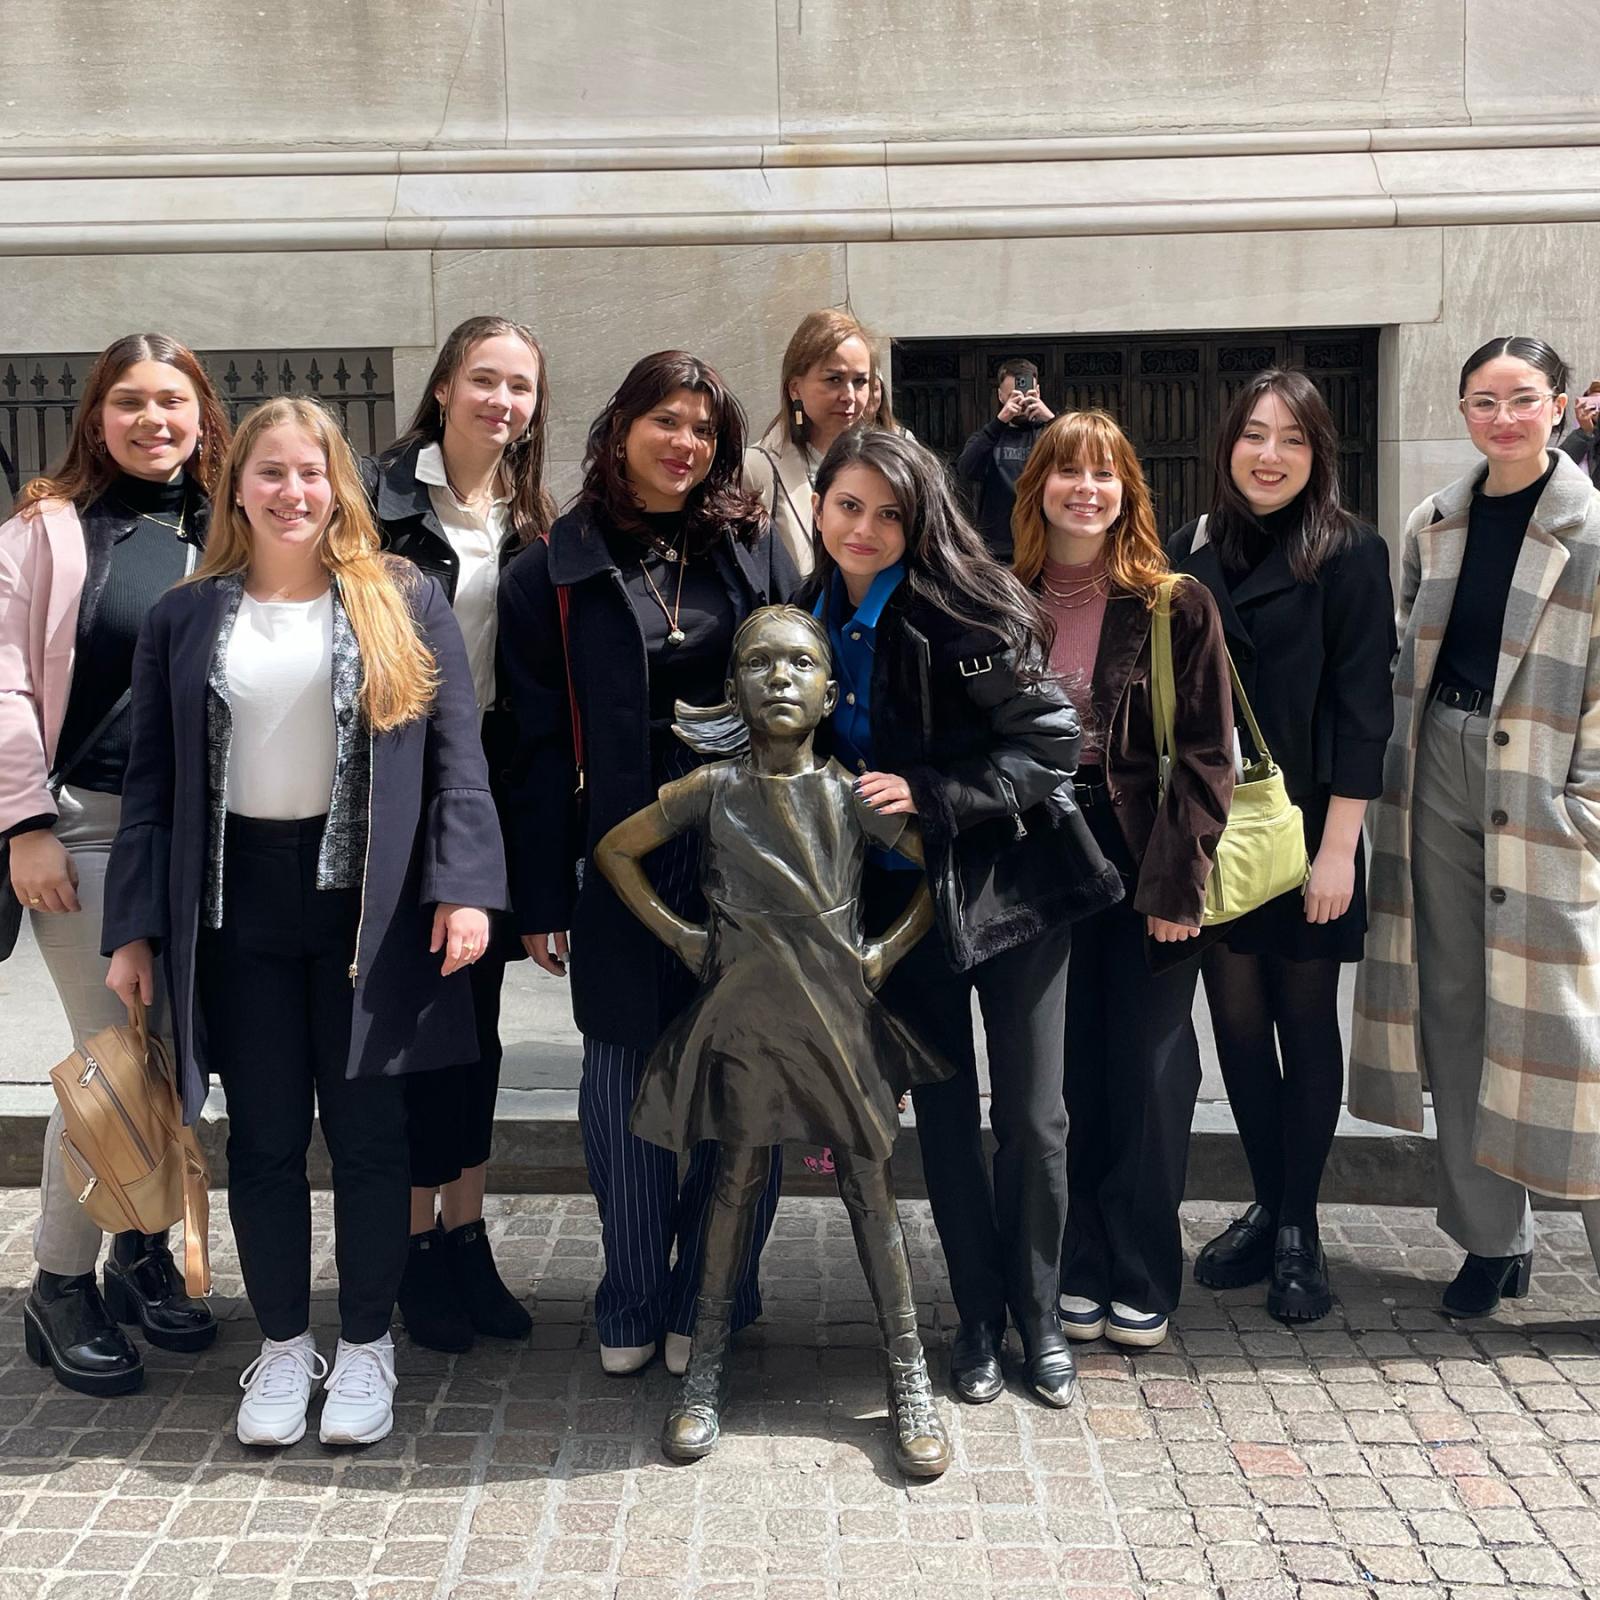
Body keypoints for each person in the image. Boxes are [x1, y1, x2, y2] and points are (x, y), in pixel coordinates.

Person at [102, 397, 505, 1448]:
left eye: (312, 473)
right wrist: (135, 930)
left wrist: (464, 887)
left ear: (341, 486)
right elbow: (150, 788)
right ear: (235, 486)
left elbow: (461, 757)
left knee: (373, 1137)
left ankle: (366, 1343)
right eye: (270, 472)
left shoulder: (398, 599)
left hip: (362, 904)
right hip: (234, 912)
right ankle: (285, 1343)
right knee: (267, 1141)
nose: (292, 492)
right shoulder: (186, 617)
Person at [805, 427, 1122, 1410]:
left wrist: (931, 793)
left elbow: (1047, 746)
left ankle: (1038, 1316)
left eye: (888, 512)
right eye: (847, 505)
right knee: (943, 1121)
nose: (865, 527)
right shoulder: (801, 615)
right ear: (819, 506)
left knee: (1032, 1118)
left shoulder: (965, 611)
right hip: (899, 910)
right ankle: (975, 1318)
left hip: (1011, 892)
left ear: (920, 518)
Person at [597, 605, 953, 1475]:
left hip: (840, 1020)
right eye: (760, 664)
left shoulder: (848, 794)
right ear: (733, 688)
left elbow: (937, 877)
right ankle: (705, 1369)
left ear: (831, 693)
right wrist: (683, 937)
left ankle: (907, 1371)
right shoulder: (711, 790)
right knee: (733, 1180)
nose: (780, 679)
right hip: (745, 1017)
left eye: (801, 663)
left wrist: (879, 954)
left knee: (873, 1193)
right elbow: (616, 851)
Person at [499, 351, 795, 1379]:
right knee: (623, 1073)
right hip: (619, 853)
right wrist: (540, 893)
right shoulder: (551, 570)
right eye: (665, 420)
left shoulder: (751, 552)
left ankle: (711, 1292)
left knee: (739, 1076)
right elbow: (533, 747)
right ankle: (630, 1288)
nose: (684, 443)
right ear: (618, 424)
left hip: (746, 855)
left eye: (704, 430)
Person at [1352, 336, 1600, 1318]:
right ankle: (1490, 1240)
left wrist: (1585, 803)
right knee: (1453, 1006)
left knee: (1565, 1030)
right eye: (1483, 401)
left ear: (1560, 406)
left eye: (1522, 399)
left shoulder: (1589, 526)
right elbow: (1407, 647)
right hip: (1439, 766)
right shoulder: (1434, 519)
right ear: (1461, 410)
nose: (1503, 418)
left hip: (1545, 779)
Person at [1, 332, 228, 1398]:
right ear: (96, 417)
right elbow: (2, 683)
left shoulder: (231, 523)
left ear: (202, 414)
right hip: (82, 830)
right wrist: (24, 824)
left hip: (207, 842)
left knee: (177, 1058)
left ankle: (142, 1252)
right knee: (111, 1064)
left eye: (171, 401)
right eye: (130, 402)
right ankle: (57, 1283)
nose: (153, 420)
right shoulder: (46, 531)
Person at [1167, 372, 1394, 1325]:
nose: (1269, 455)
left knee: (1305, 1028)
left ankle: (1299, 1227)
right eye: (1254, 435)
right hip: (1220, 840)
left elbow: (1362, 708)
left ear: (1317, 455)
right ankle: (1268, 1202)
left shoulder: (1348, 551)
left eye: (1291, 440)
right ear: (1228, 443)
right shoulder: (1191, 548)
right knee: (1236, 1031)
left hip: (1309, 834)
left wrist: (1341, 848)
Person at [1007, 411, 1234, 1350]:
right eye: (1069, 473)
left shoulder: (1174, 602)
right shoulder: (1003, 598)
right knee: (1061, 1081)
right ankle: (1073, 1267)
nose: (1086, 489)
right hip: (1036, 855)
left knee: (1144, 1074)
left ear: (1129, 492)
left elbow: (1208, 754)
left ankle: (1139, 1270)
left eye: (1106, 474)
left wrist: (1179, 887)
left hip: (1147, 852)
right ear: (1040, 489)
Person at [362, 315, 554, 1353]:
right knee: (413, 1029)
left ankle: (465, 1233)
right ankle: (411, 1249)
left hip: (494, 788)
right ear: (443, 387)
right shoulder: (381, 500)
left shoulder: (533, 517)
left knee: (475, 1027)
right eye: (484, 380)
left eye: (519, 386)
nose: (502, 402)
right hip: (402, 778)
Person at [743, 309, 874, 578]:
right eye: (834, 379)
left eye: (860, 381)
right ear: (795, 388)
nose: (849, 395)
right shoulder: (755, 470)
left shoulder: (883, 464)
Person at [956, 358, 1054, 563]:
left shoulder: (1051, 435)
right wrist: (1001, 421)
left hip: (1045, 547)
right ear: (1000, 396)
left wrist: (1052, 421)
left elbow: (1080, 455)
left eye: (1027, 395)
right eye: (1013, 396)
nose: (1020, 403)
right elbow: (966, 470)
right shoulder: (988, 436)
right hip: (998, 550)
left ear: (1038, 392)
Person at [1560, 381, 1600, 490]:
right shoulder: (1581, 435)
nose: (1597, 410)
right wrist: (1586, 431)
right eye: (1592, 405)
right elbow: (1560, 467)